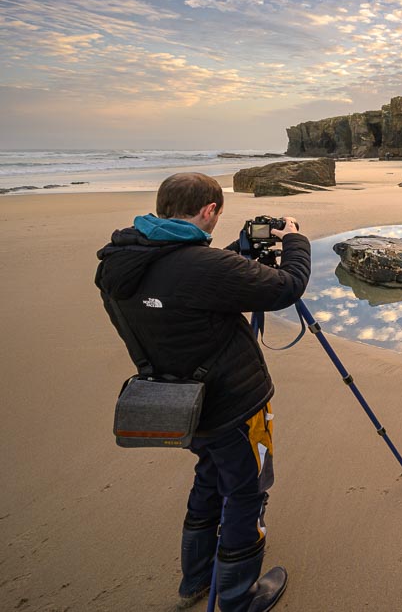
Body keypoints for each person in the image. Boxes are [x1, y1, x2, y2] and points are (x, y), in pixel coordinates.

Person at [95, 173, 310, 612]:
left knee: (211, 478)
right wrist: (295, 243)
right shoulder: (203, 267)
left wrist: (236, 257)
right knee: (247, 491)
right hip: (233, 404)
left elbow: (181, 288)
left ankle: (195, 580)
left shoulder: (119, 262)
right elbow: (287, 286)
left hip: (179, 404)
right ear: (209, 210)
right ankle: (235, 598)